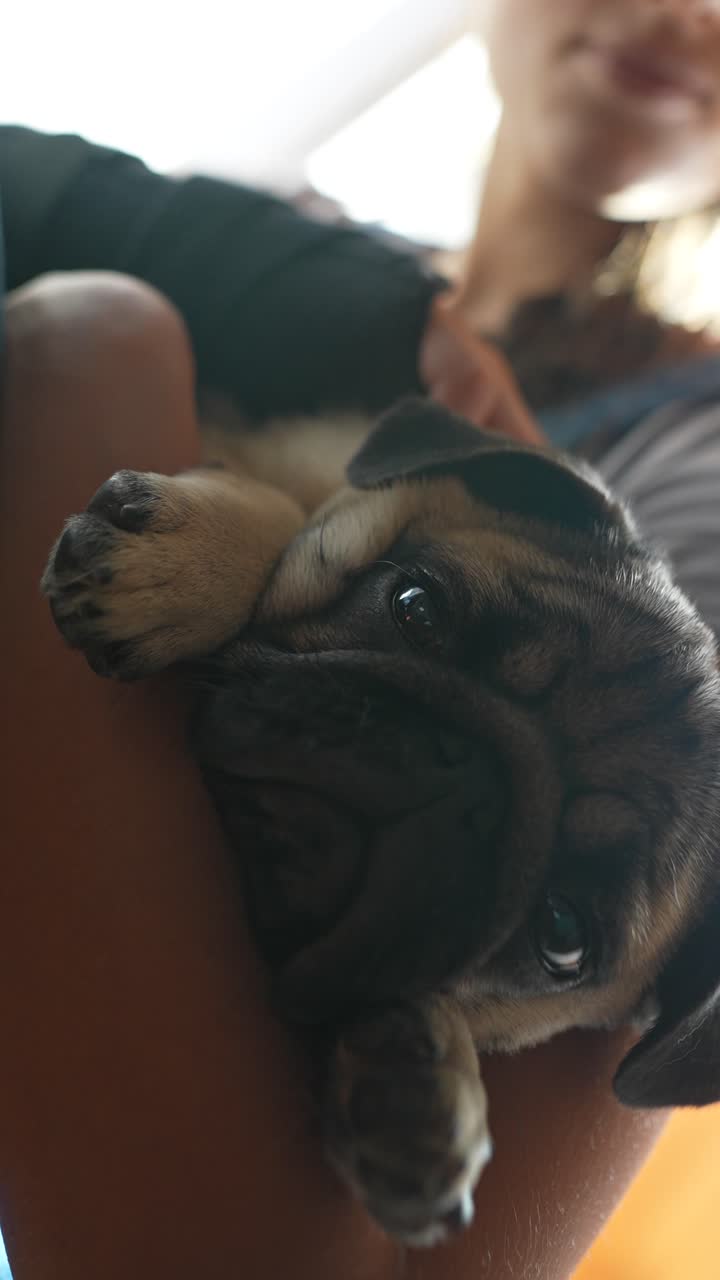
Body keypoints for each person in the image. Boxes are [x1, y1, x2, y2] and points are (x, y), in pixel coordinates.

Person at [4, 0, 720, 1270]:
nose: (680, 15)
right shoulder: (281, 232)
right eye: (423, 609)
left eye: (561, 919)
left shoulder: (702, 445)